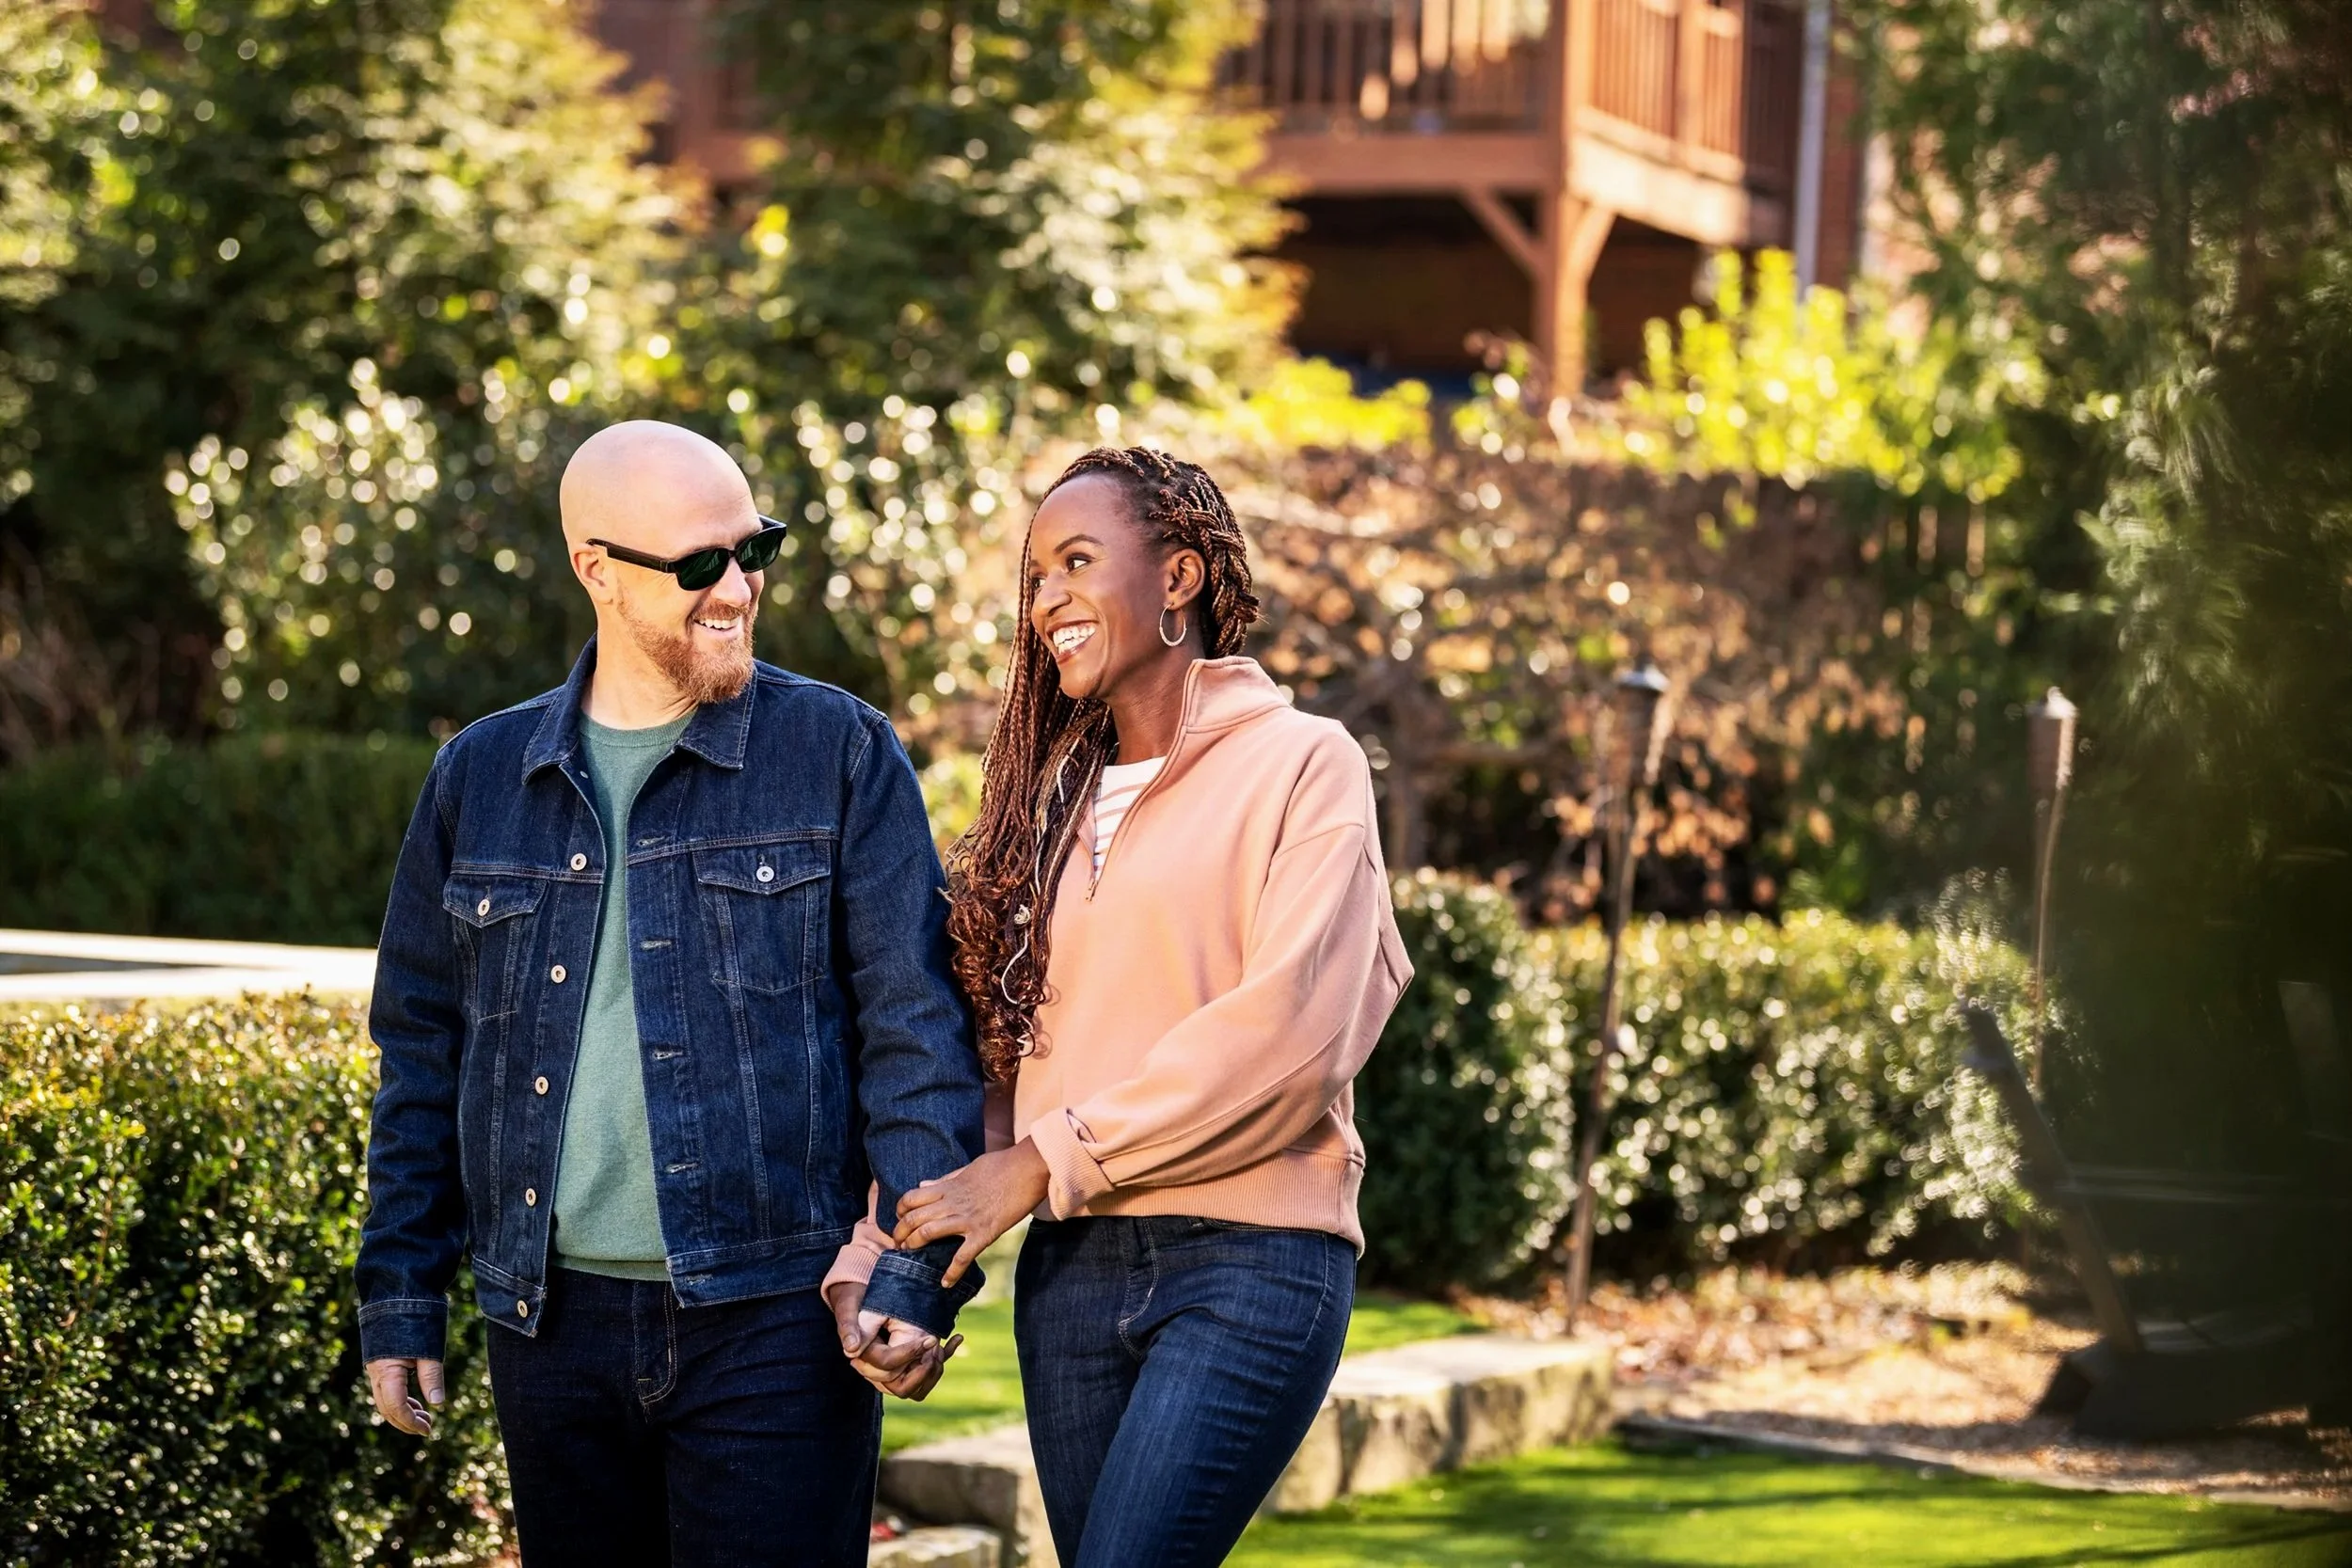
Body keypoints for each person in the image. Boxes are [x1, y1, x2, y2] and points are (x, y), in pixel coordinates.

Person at [356, 420, 985, 1567]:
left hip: (779, 1319)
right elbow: (421, 1050)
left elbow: (917, 1031)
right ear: (597, 570)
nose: (738, 587)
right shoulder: (479, 778)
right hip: (548, 1329)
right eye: (700, 564)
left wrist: (908, 1267)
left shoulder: (839, 751)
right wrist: (402, 1286)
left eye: (755, 550)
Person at [834, 446, 1413, 1566]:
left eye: (1078, 560)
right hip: (1075, 1275)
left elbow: (1289, 1032)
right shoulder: (1037, 812)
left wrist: (1048, 1158)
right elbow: (982, 1068)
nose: (1047, 597)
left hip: (1252, 1258)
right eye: (1036, 573)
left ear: (1181, 576)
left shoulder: (1305, 764)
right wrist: (890, 1262)